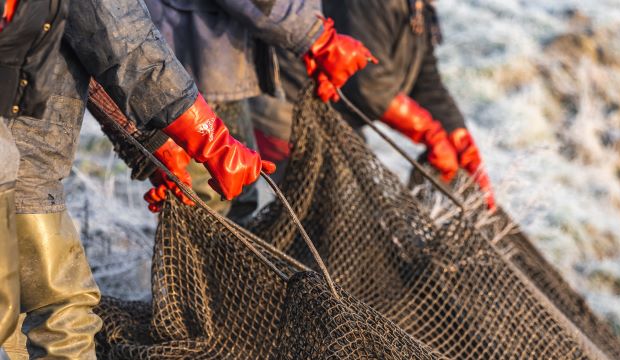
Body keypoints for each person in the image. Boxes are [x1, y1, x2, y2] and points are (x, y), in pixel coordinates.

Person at [0, 0, 288, 357]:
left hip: (19, 154)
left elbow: (73, 40)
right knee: (61, 314)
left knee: (11, 316)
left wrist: (150, 146)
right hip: (18, 162)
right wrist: (214, 142)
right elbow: (122, 38)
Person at [139, 0, 376, 221]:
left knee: (240, 201)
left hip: (225, 68)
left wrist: (313, 36)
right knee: (206, 209)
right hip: (184, 69)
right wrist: (315, 35)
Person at [252, 0, 496, 209]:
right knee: (333, 215)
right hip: (289, 110)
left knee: (357, 207)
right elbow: (368, 84)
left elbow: (425, 76)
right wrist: (430, 133)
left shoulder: (418, 6)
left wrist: (457, 135)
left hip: (335, 116)